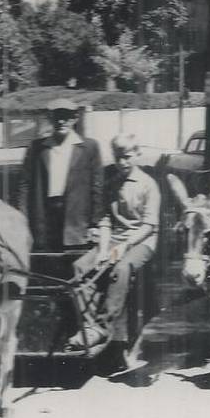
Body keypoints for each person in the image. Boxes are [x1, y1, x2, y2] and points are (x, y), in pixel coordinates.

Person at [65, 134, 160, 370]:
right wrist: (102, 250)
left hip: (141, 241)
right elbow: (106, 220)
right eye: (118, 158)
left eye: (127, 157)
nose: (123, 162)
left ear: (137, 155)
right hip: (114, 239)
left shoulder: (149, 185)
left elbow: (149, 225)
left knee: (121, 267)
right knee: (80, 267)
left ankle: (103, 325)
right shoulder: (113, 183)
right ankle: (89, 329)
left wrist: (124, 247)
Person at [19, 99, 104, 254]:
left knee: (75, 267)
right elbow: (25, 185)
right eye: (57, 116)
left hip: (77, 220)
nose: (61, 121)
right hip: (45, 219)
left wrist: (95, 223)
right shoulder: (37, 148)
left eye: (67, 116)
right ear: (50, 118)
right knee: (47, 266)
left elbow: (97, 187)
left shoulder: (89, 147)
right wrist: (22, 218)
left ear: (75, 118)